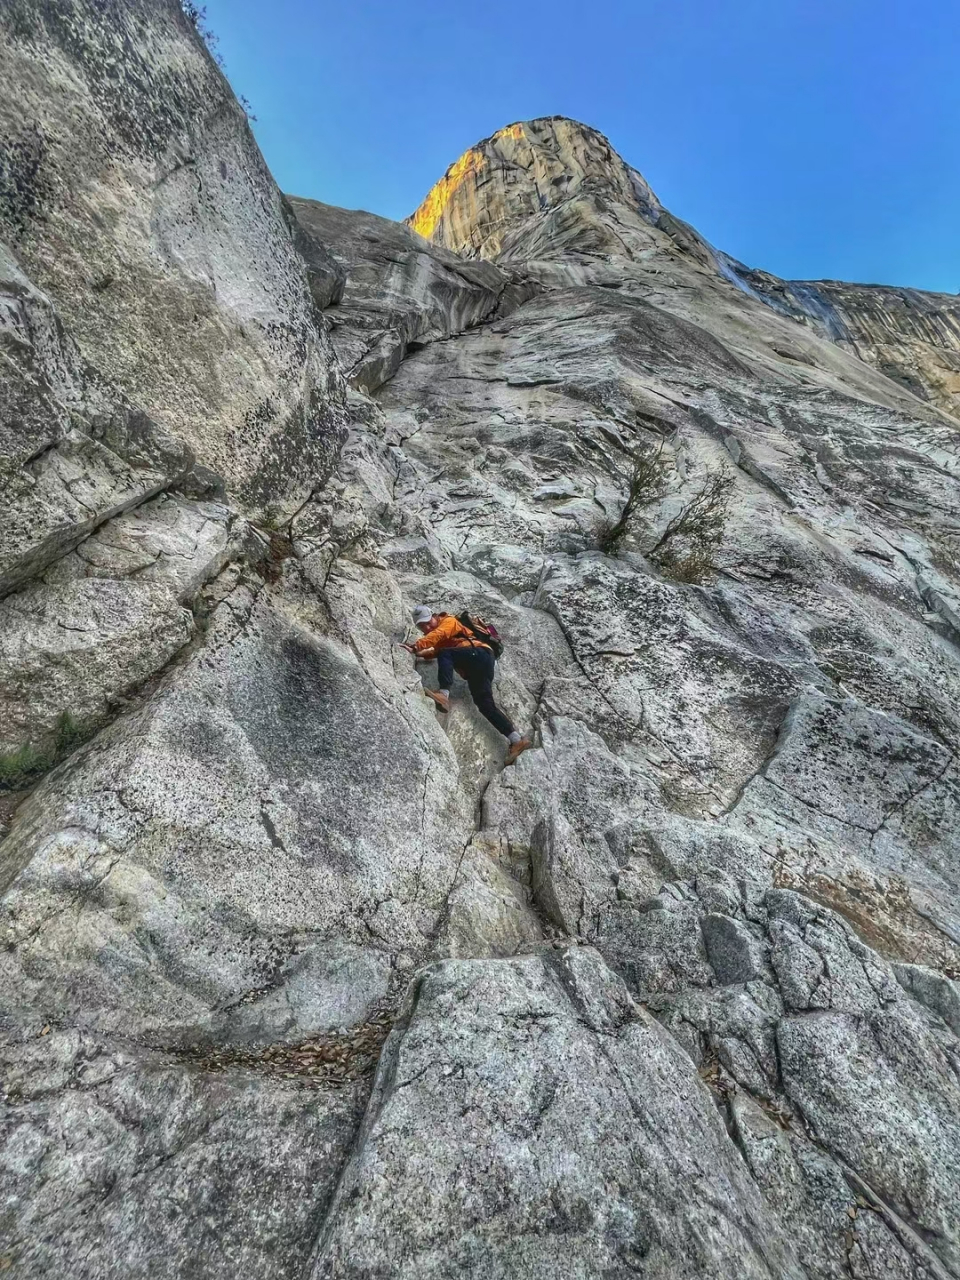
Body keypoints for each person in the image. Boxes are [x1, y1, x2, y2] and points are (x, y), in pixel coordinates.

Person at [402, 605, 531, 765]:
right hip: (479, 664)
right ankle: (516, 740)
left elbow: (439, 637)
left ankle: (443, 694)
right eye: (422, 626)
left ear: (434, 616)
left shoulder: (449, 621)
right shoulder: (444, 640)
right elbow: (435, 650)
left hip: (478, 653)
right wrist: (418, 652)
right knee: (484, 704)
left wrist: (417, 645)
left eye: (428, 622)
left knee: (445, 653)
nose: (427, 627)